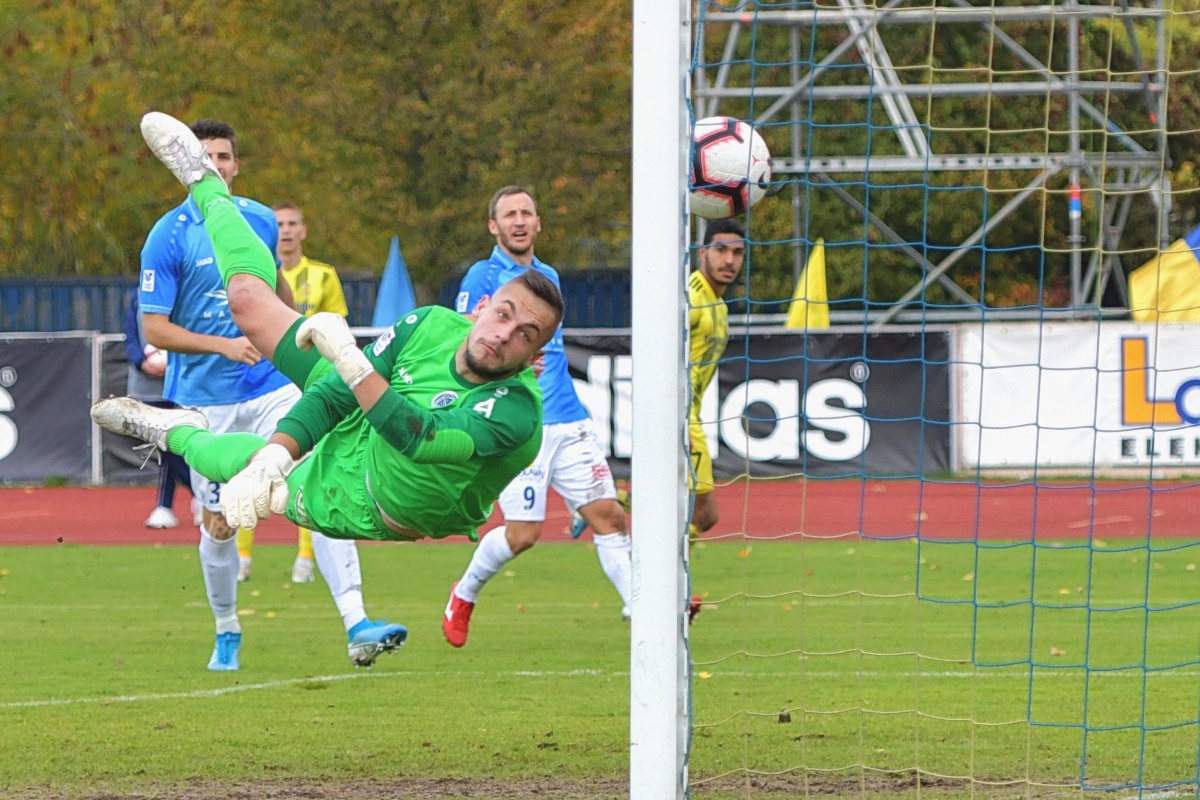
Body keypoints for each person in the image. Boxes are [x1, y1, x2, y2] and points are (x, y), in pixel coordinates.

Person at [93, 111, 562, 638]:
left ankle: (173, 433)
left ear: (535, 356)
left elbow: (420, 438)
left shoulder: (518, 413)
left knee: (255, 477)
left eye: (526, 334)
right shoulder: (430, 323)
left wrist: (348, 363)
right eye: (503, 314)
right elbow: (340, 392)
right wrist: (281, 450)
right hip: (356, 404)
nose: (504, 334)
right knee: (246, 300)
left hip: (365, 500)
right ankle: (205, 186)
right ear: (479, 308)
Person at [136, 115, 400, 671]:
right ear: (184, 163)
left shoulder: (258, 219)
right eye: (203, 156)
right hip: (206, 401)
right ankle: (227, 628)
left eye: (223, 157)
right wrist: (224, 345)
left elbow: (277, 298)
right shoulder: (168, 234)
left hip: (271, 388)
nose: (214, 165)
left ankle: (357, 623)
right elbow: (153, 329)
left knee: (324, 492)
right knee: (220, 524)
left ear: (235, 165)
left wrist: (302, 343)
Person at [440, 186, 633, 649]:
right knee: (523, 535)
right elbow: (462, 340)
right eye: (509, 214)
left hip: (569, 418)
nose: (519, 220)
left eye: (527, 212)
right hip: (519, 423)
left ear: (538, 222)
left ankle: (643, 608)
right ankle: (463, 594)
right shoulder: (483, 276)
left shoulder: (547, 277)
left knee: (610, 517)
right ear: (494, 226)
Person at [234, 202, 351, 585]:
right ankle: (242, 556)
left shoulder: (323, 275)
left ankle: (305, 558)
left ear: (303, 231)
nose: (284, 230)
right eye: (279, 224)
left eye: (291, 224)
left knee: (305, 466)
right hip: (255, 380)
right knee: (252, 463)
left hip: (304, 380)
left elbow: (337, 327)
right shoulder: (254, 272)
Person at [684, 219, 747, 621]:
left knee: (703, 514)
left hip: (691, 416)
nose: (730, 260)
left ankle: (619, 503)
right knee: (699, 511)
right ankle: (659, 583)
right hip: (680, 419)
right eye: (721, 250)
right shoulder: (692, 296)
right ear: (703, 252)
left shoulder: (718, 305)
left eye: (738, 253)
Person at [123, 289, 194, 530]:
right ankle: (201, 494)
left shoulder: (186, 293)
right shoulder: (137, 297)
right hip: (147, 386)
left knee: (177, 442)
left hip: (183, 383)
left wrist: (174, 363)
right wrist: (142, 363)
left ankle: (166, 505)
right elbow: (130, 336)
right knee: (163, 442)